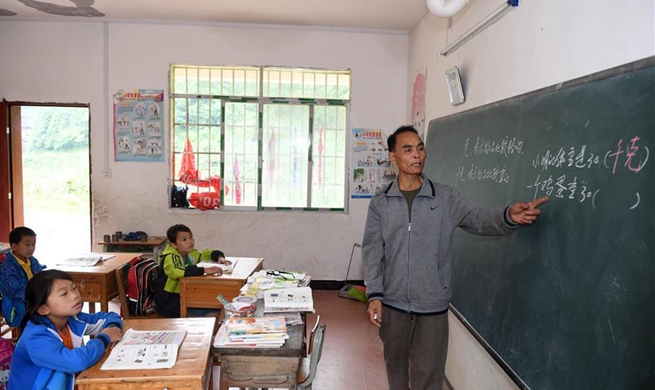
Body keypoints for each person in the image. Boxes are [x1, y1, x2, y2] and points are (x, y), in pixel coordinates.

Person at [362, 125, 548, 390]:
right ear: (393, 157)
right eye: (408, 149)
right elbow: (372, 250)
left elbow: (477, 218)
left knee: (429, 376)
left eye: (420, 148)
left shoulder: (445, 198)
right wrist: (375, 295)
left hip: (432, 306)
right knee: (396, 371)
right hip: (392, 305)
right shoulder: (381, 202)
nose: (417, 154)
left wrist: (508, 215)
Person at [8, 269, 123, 390]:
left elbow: (110, 317)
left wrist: (112, 329)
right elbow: (76, 362)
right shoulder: (35, 338)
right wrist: (104, 338)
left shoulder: (71, 318)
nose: (75, 295)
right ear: (43, 309)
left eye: (74, 288)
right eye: (64, 294)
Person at [154, 224, 231, 318]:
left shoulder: (189, 254)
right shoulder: (169, 256)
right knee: (214, 313)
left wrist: (220, 257)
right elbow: (176, 271)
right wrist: (204, 270)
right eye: (184, 239)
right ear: (173, 245)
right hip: (170, 303)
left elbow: (205, 254)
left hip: (185, 295)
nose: (190, 241)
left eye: (191, 237)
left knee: (219, 303)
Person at [0, 227, 47, 327]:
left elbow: (40, 276)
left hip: (34, 298)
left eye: (34, 244)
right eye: (27, 244)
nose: (31, 248)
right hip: (18, 306)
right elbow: (15, 292)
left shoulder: (32, 260)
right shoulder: (7, 268)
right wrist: (38, 298)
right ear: (14, 246)